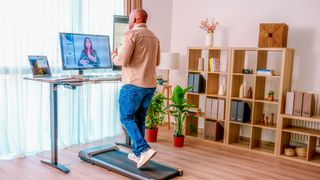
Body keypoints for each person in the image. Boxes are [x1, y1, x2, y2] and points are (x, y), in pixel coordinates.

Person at [111, 9, 160, 169]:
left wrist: (113, 56)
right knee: (139, 118)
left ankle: (144, 149)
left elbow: (123, 60)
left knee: (126, 117)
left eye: (130, 18)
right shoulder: (154, 37)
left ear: (137, 18)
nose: (129, 21)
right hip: (149, 85)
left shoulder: (130, 35)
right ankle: (139, 153)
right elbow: (157, 61)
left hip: (133, 84)